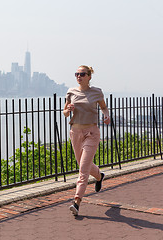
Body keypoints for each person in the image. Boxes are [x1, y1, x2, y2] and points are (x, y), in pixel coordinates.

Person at [63, 65, 110, 216]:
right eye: (76, 74)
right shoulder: (71, 91)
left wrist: (106, 115)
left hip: (91, 132)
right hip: (75, 132)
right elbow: (64, 112)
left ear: (89, 76)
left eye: (82, 74)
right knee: (83, 164)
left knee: (83, 169)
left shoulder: (97, 92)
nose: (79, 76)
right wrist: (68, 110)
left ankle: (76, 202)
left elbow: (103, 107)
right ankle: (99, 176)